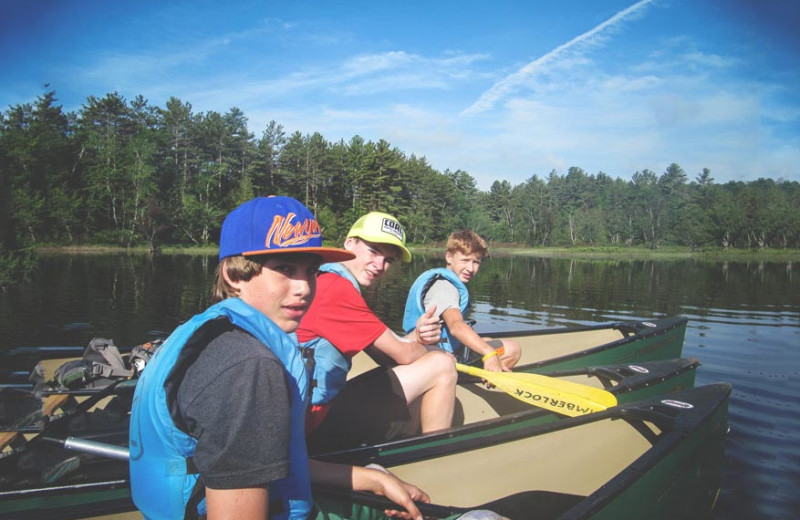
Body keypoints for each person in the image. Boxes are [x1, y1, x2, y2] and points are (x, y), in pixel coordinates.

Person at [129, 197, 429, 520]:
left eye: (311, 271)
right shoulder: (248, 370)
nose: (303, 288)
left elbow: (267, 463)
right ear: (235, 274)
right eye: (285, 269)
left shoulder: (215, 329)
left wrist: (373, 479)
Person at [297, 211, 457, 453]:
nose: (380, 265)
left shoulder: (325, 278)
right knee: (442, 364)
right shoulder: (335, 290)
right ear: (350, 243)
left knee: (429, 362)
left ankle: (409, 441)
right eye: (373, 251)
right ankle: (435, 456)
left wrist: (417, 336)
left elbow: (385, 353)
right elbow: (403, 356)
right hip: (310, 426)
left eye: (388, 260)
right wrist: (430, 347)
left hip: (304, 413)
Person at [403, 230, 521, 372]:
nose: (470, 268)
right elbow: (456, 326)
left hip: (431, 347)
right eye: (465, 260)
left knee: (487, 340)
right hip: (435, 354)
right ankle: (480, 374)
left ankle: (487, 368)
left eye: (476, 262)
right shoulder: (445, 288)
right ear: (449, 257)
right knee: (513, 349)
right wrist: (489, 353)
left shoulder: (441, 280)